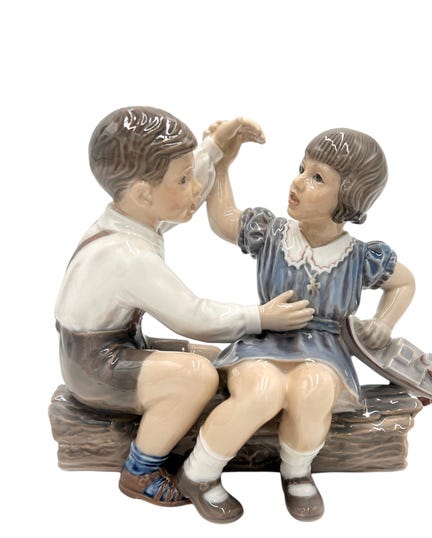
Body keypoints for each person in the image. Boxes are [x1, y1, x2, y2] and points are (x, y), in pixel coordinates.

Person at [54, 107, 314, 508]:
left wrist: (214, 149)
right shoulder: (127, 255)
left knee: (216, 359)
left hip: (118, 344)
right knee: (195, 376)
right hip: (93, 365)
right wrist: (260, 317)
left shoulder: (134, 217)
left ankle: (228, 420)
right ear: (143, 194)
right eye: (183, 179)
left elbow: (179, 202)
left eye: (191, 174)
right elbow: (192, 315)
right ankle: (140, 471)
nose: (195, 188)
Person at [177, 127, 416, 523]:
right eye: (302, 168)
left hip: (324, 353)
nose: (298, 181)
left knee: (314, 389)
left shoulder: (360, 257)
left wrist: (384, 322)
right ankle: (198, 471)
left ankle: (297, 472)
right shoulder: (272, 233)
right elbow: (223, 219)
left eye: (317, 178)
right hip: (264, 340)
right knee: (262, 390)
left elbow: (404, 283)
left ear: (349, 197)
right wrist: (223, 166)